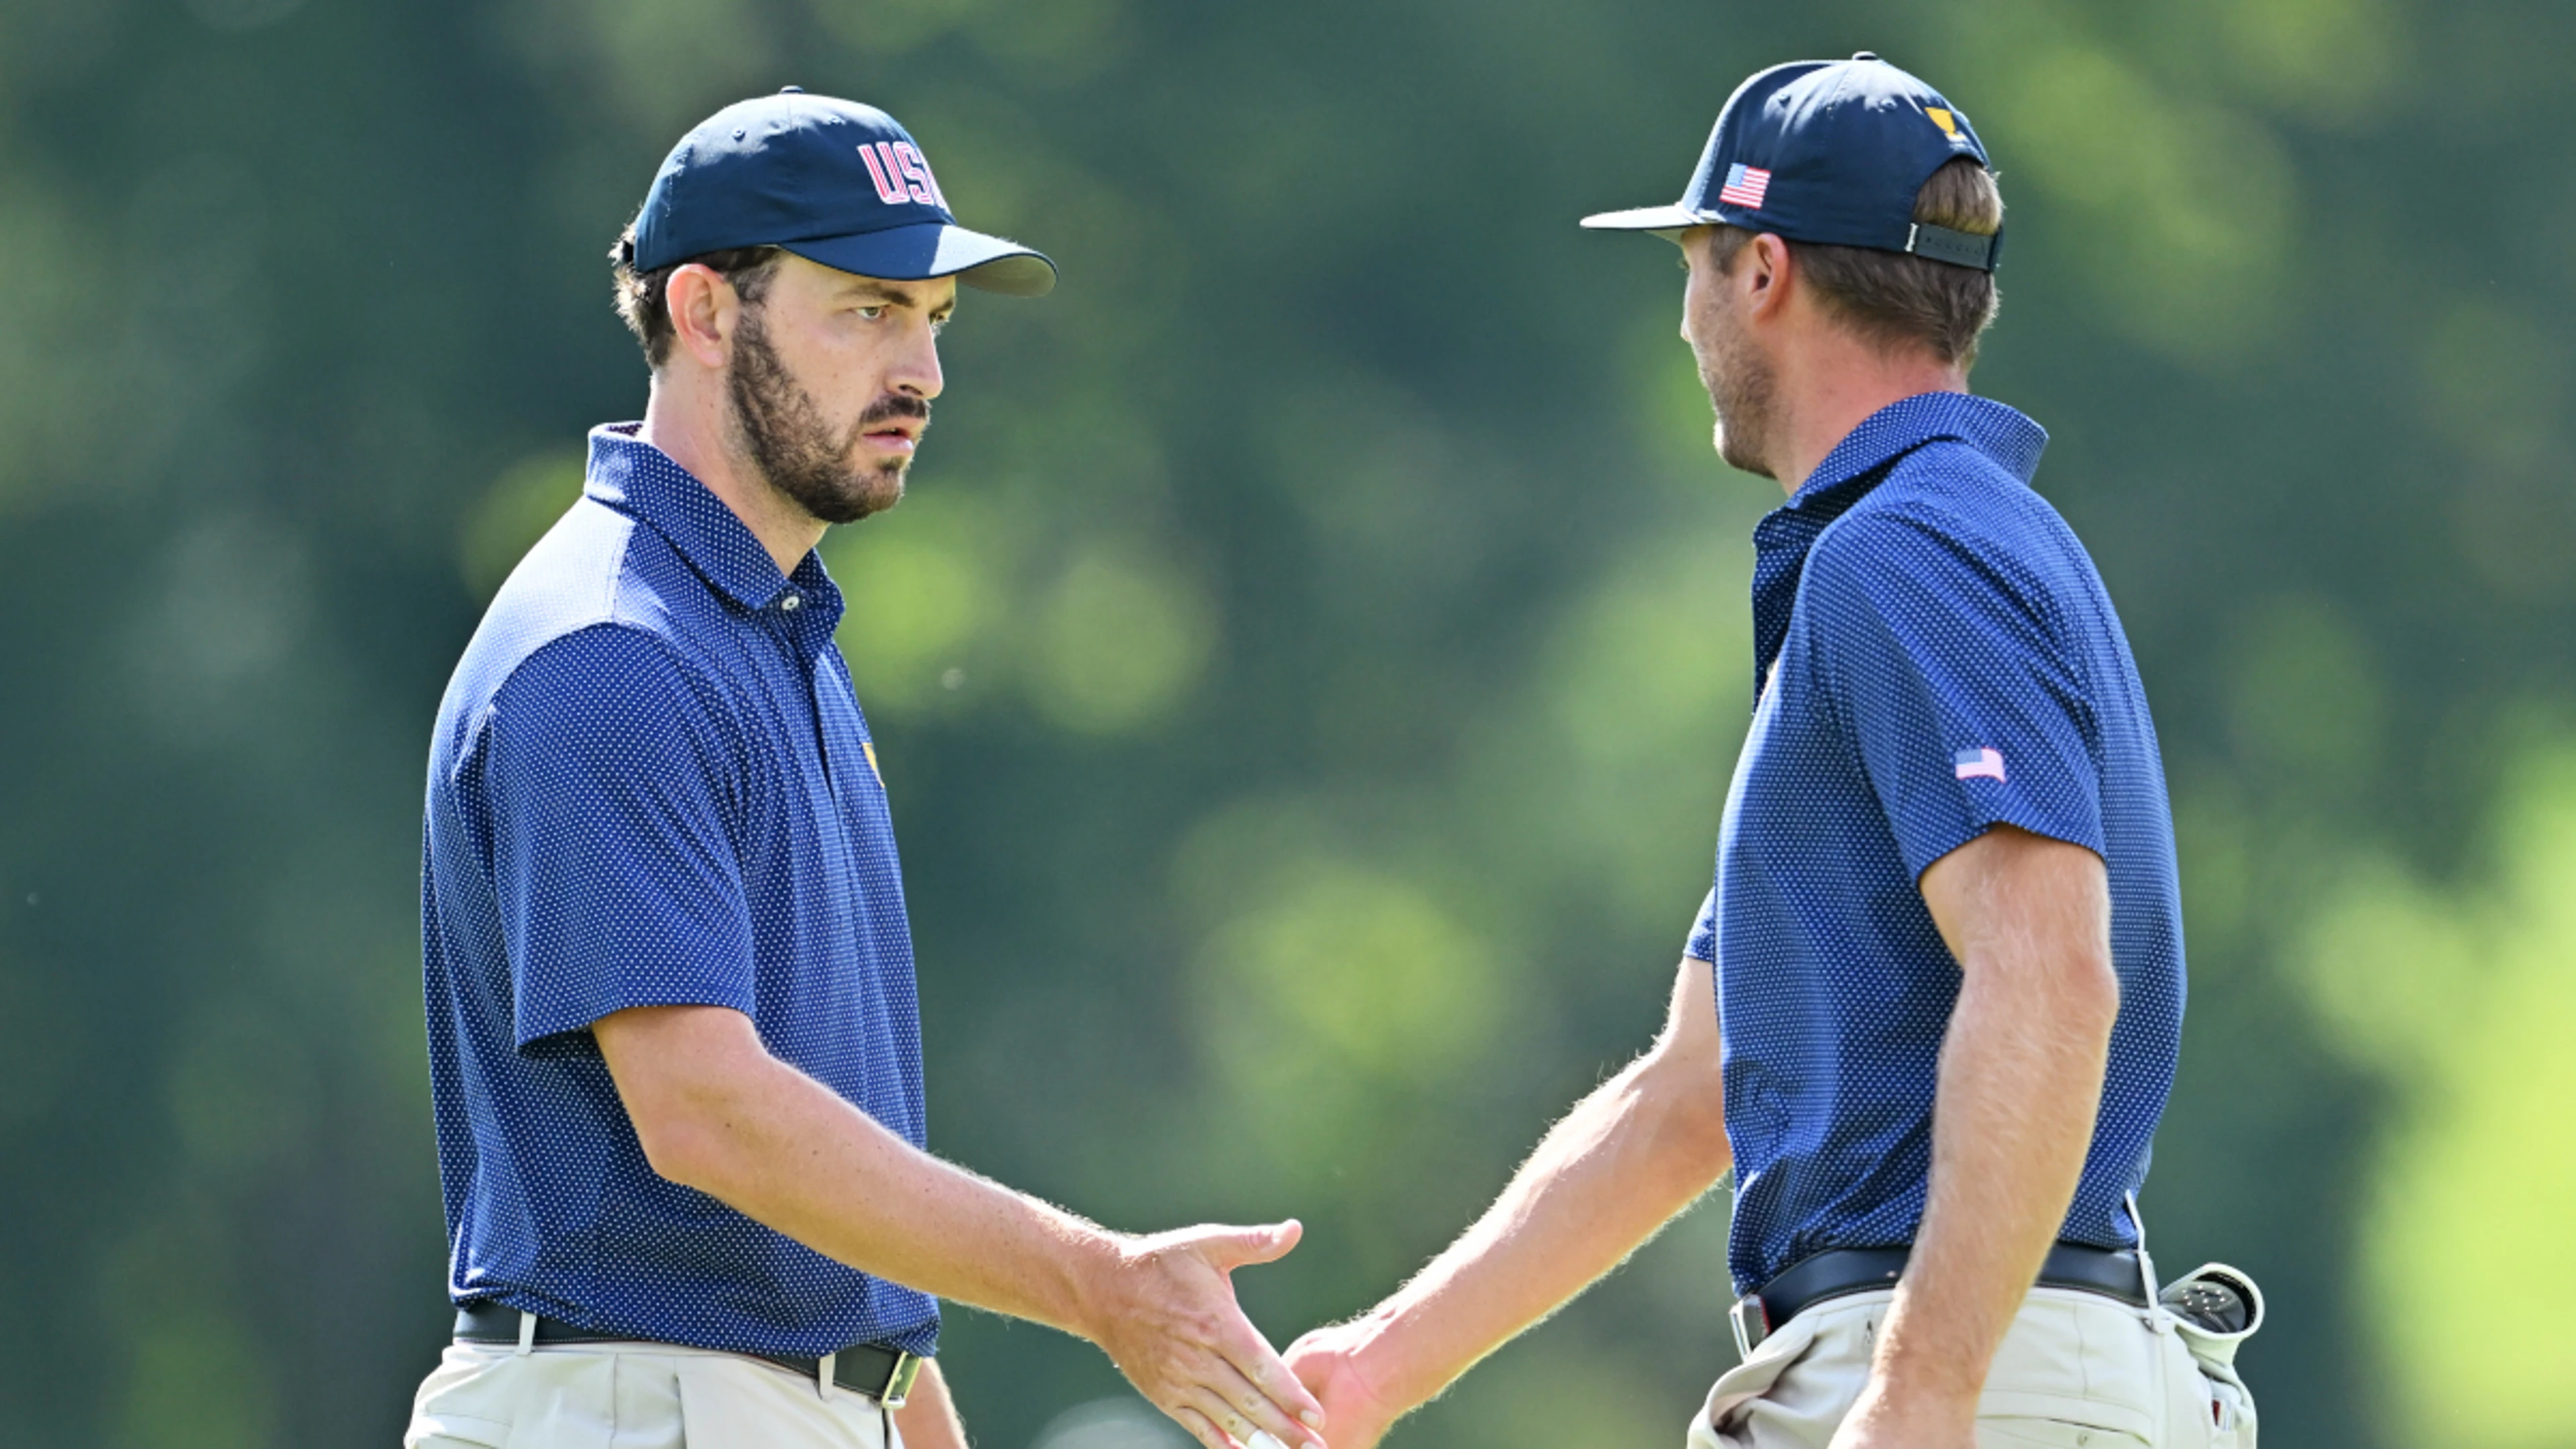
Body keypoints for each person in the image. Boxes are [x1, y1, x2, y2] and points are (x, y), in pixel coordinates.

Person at [1283, 54, 2259, 1449]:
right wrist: (1382, 1366)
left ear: (1762, 274)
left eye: (1692, 265)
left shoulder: (1902, 553)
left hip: (1958, 1377)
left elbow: (2050, 969)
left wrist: (1920, 1396)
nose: (1684, 323)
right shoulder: (1944, 547)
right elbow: (1697, 1091)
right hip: (1979, 1367)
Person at [407, 90, 1329, 1449]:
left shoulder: (767, 637)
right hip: (632, 1410)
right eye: (867, 311)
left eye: (932, 321)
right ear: (708, 312)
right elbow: (708, 1118)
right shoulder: (611, 655)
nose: (924, 373)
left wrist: (910, 1415)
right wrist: (1100, 1286)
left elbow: (812, 1192)